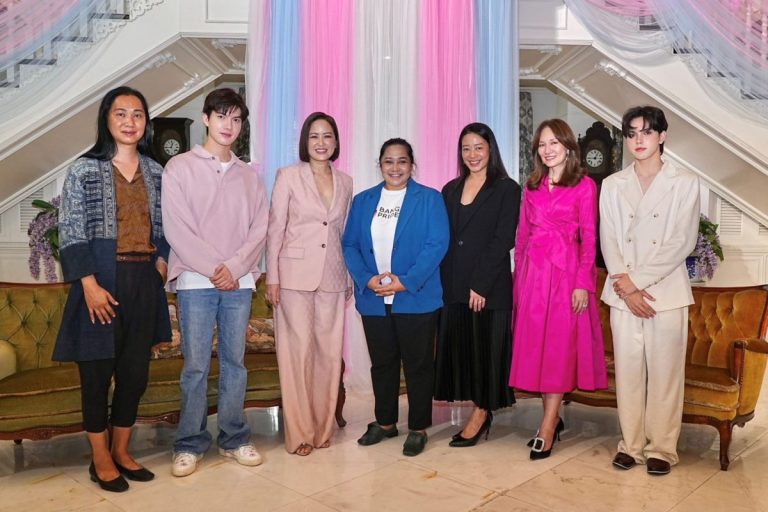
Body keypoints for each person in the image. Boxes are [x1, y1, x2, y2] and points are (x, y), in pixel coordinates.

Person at [53, 86, 171, 492]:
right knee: (97, 377)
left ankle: (121, 451)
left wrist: (160, 266)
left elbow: (167, 228)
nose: (129, 122)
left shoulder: (157, 172)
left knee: (135, 376)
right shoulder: (84, 169)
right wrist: (88, 284)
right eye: (120, 113)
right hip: (99, 282)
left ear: (146, 122)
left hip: (144, 283)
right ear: (106, 119)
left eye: (137, 114)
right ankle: (100, 458)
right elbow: (70, 228)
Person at [162, 88, 269, 477]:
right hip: (195, 281)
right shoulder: (179, 167)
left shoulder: (250, 176)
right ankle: (189, 443)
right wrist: (214, 267)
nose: (229, 125)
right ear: (206, 118)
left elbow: (260, 228)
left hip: (239, 283)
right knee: (194, 366)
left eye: (236, 119)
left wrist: (234, 266)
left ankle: (234, 438)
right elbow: (177, 228)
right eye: (222, 116)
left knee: (234, 363)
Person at [600, 106, 699, 476]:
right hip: (622, 294)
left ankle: (662, 448)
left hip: (666, 293)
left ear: (662, 136)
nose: (638, 140)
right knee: (628, 373)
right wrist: (627, 289)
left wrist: (637, 282)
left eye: (646, 132)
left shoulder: (684, 181)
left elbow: (682, 241)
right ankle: (631, 445)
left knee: (665, 374)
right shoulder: (612, 184)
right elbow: (609, 240)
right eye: (631, 133)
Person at [342, 138, 449, 457]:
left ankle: (418, 427)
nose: (395, 167)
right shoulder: (363, 201)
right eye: (389, 161)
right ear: (380, 165)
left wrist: (407, 282)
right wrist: (366, 279)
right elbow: (350, 244)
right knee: (382, 364)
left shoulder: (430, 199)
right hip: (374, 298)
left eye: (402, 161)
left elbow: (437, 243)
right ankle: (386, 422)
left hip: (416, 297)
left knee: (418, 366)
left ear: (412, 165)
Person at [509, 119, 607, 460]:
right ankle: (552, 418)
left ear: (567, 146)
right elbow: (522, 236)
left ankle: (548, 425)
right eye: (542, 144)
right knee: (537, 348)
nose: (547, 150)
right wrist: (518, 280)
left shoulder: (584, 186)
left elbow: (589, 239)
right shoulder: (531, 186)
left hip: (566, 277)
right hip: (532, 276)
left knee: (557, 350)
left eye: (553, 143)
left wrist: (583, 284)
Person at [265, 112, 353, 456]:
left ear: (336, 142)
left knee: (329, 355)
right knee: (297, 354)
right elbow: (275, 228)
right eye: (314, 136)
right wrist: (272, 277)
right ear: (305, 141)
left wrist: (348, 276)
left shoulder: (346, 181)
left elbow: (344, 234)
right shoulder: (288, 176)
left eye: (327, 136)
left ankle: (322, 428)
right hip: (293, 277)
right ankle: (300, 433)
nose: (321, 142)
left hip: (333, 275)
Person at [434, 122, 521, 447]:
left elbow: (503, 239)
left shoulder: (507, 189)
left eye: (478, 147)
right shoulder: (450, 189)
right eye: (466, 148)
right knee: (465, 352)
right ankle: (476, 406)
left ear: (490, 150)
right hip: (453, 284)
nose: (472, 154)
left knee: (487, 353)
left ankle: (482, 413)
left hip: (489, 287)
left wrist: (481, 284)